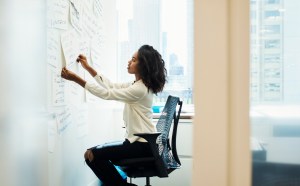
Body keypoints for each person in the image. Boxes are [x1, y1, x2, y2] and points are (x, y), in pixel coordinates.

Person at [61, 44, 167, 186]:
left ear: (144, 65)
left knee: (92, 155)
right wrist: (87, 68)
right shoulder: (137, 84)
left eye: (134, 60)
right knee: (91, 154)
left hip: (142, 145)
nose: (129, 62)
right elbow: (110, 86)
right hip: (138, 142)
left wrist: (76, 78)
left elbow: (107, 94)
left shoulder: (140, 89)